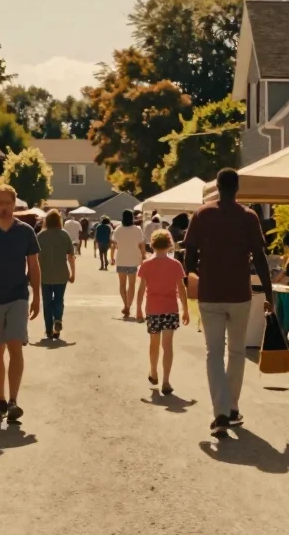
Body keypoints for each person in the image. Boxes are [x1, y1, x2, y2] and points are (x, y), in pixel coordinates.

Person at [185, 168, 273, 437]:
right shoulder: (248, 217)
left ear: (216, 187)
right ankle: (232, 407)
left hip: (210, 293)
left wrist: (192, 278)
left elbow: (189, 256)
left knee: (214, 353)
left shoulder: (202, 215)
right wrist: (269, 293)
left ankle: (220, 411)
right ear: (237, 188)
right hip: (239, 294)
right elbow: (259, 257)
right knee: (236, 352)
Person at [0, 185, 42, 423]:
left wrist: (37, 298)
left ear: (15, 204)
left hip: (18, 296)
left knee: (15, 345)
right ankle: (0, 399)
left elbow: (33, 266)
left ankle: (13, 400)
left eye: (8, 203)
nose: (3, 207)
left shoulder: (26, 232)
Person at [136, 229, 189, 395]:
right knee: (168, 346)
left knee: (154, 343)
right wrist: (185, 310)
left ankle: (153, 372)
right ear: (169, 245)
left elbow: (141, 288)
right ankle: (166, 380)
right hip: (170, 309)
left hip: (153, 308)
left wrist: (137, 308)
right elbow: (181, 289)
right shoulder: (175, 265)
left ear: (152, 245)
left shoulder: (146, 265)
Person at [37, 210, 76, 340]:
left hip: (45, 275)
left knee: (47, 302)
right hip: (61, 274)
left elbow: (35, 257)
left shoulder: (41, 236)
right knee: (59, 299)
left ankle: (48, 330)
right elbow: (71, 256)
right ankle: (58, 319)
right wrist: (73, 273)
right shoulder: (64, 235)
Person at [112, 210, 147, 318]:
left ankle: (125, 305)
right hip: (133, 259)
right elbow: (141, 245)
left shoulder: (118, 229)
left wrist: (112, 257)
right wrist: (143, 256)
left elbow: (114, 243)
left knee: (122, 284)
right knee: (131, 285)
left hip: (121, 259)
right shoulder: (137, 229)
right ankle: (128, 305)